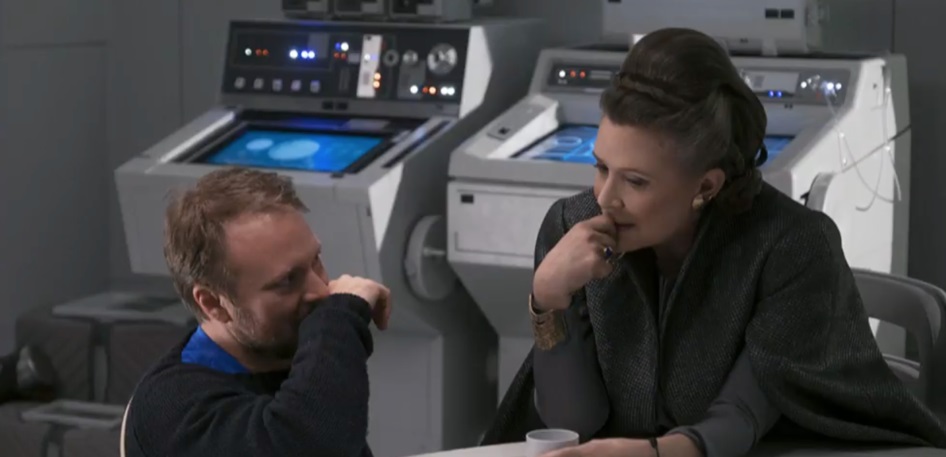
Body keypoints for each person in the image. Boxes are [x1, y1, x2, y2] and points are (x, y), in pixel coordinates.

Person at [481, 28, 946, 457]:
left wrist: (649, 454)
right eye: (602, 167)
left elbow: (739, 419)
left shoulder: (792, 245)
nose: (606, 199)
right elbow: (573, 424)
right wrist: (547, 299)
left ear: (705, 186)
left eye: (636, 181)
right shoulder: (571, 225)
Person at [122, 167, 392, 457]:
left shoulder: (292, 359)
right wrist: (341, 318)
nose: (321, 291)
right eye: (287, 281)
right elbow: (312, 446)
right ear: (214, 304)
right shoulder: (174, 407)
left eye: (315, 260)